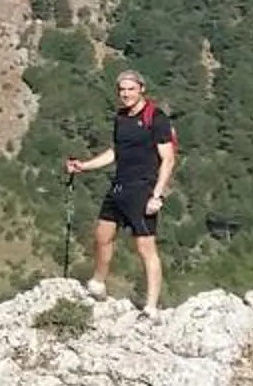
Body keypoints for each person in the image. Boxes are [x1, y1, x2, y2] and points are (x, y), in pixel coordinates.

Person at [62, 70, 176, 310]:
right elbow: (116, 152)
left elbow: (168, 159)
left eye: (130, 89)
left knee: (145, 247)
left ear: (141, 89)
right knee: (102, 236)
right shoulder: (121, 117)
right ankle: (98, 284)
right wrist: (85, 166)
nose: (125, 94)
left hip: (143, 188)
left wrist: (157, 195)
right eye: (122, 90)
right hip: (120, 185)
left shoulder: (156, 118)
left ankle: (151, 306)